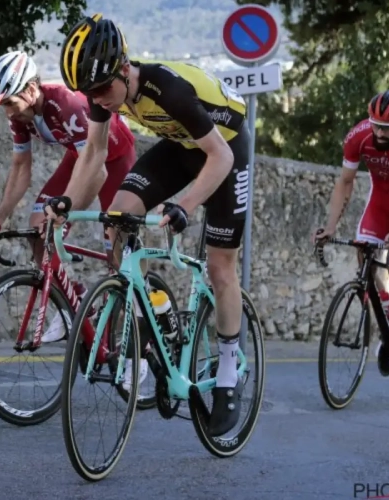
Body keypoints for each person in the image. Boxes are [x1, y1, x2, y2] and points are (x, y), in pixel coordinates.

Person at [44, 13, 252, 437]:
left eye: (102, 90)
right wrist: (67, 202)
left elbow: (221, 158)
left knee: (219, 267)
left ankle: (229, 372)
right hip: (179, 147)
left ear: (124, 67)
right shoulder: (103, 95)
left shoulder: (166, 88)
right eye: (89, 93)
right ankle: (150, 311)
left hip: (226, 150)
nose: (98, 99)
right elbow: (93, 155)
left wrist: (186, 205)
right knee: (118, 219)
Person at [0, 50, 138, 344]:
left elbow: (97, 171)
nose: (9, 113)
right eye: (4, 107)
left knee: (116, 246)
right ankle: (74, 301)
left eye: (11, 103)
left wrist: (66, 212)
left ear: (32, 89)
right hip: (80, 157)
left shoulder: (67, 104)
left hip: (114, 160)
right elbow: (20, 168)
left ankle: (135, 342)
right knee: (38, 229)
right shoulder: (20, 117)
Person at [314, 89, 389, 368]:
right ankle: (388, 307)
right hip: (380, 202)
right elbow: (345, 182)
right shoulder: (358, 136)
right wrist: (330, 227)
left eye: (387, 128)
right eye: (376, 125)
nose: (379, 133)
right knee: (363, 252)